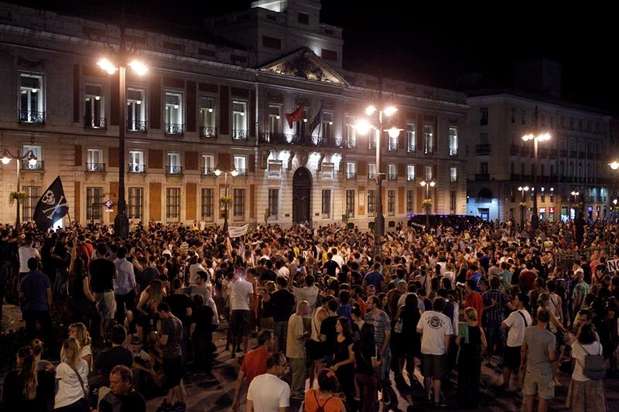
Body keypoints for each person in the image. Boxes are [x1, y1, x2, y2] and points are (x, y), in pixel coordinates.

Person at [416, 297, 453, 407]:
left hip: (426, 348)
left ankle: (427, 395)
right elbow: (447, 337)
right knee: (437, 377)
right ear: (443, 307)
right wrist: (446, 350)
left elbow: (418, 329)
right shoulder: (446, 319)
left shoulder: (425, 314)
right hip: (439, 350)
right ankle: (436, 400)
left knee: (427, 375)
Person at [521, 308, 557, 412]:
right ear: (548, 320)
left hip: (530, 368)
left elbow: (523, 349)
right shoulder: (551, 337)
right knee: (543, 398)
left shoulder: (528, 330)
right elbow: (551, 357)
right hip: (544, 371)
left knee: (529, 396)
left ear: (537, 318)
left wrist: (522, 363)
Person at [566, 323, 607, 412]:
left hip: (579, 379)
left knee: (578, 406)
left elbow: (573, 352)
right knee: (594, 406)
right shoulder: (599, 346)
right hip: (595, 378)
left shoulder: (577, 346)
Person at [232, 330, 274, 412]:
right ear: (267, 341)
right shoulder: (270, 358)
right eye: (272, 339)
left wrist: (236, 399)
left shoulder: (248, 355)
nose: (274, 342)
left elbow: (239, 379)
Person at [156, 302, 185, 412]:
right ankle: (168, 402)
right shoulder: (178, 321)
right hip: (178, 353)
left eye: (159, 313)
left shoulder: (167, 322)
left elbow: (164, 341)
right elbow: (181, 338)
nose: (159, 315)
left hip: (169, 356)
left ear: (163, 311)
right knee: (174, 381)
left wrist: (157, 337)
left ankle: (181, 403)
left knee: (174, 382)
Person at [457, 307, 487, 409]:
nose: (463, 315)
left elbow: (457, 341)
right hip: (475, 356)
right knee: (474, 379)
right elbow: (485, 344)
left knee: (463, 378)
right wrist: (480, 353)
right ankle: (474, 400)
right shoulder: (479, 328)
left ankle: (463, 399)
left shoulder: (464, 327)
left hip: (465, 355)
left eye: (465, 314)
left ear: (468, 316)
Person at [501, 293, 532, 391]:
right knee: (520, 366)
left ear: (521, 302)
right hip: (523, 344)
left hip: (512, 343)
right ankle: (520, 386)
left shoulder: (514, 314)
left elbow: (504, 325)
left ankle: (506, 384)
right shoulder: (527, 313)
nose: (514, 300)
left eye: (516, 299)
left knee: (507, 365)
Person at [19, 257, 52, 341]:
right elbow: (49, 294)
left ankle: (30, 349)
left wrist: (22, 308)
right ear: (37, 265)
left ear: (28, 266)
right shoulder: (44, 277)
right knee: (47, 331)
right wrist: (49, 306)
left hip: (29, 308)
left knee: (30, 333)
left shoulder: (24, 279)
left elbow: (21, 296)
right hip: (42, 308)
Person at [54, 337, 89, 412]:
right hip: (80, 403)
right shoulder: (84, 364)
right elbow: (85, 382)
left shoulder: (61, 367)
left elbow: (56, 388)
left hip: (63, 404)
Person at [330, 317, 355, 410]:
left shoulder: (349, 340)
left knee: (346, 393)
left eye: (338, 324)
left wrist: (338, 365)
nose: (336, 326)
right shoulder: (335, 336)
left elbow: (351, 359)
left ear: (344, 326)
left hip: (346, 370)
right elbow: (334, 354)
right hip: (336, 369)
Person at [286, 300, 309, 401]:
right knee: (298, 374)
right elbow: (298, 336)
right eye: (307, 307)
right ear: (303, 308)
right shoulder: (299, 319)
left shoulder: (292, 316)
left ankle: (294, 390)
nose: (309, 309)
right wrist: (307, 334)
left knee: (295, 373)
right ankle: (296, 392)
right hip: (297, 351)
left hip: (291, 350)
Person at [229, 267, 254, 356]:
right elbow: (251, 299)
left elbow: (230, 296)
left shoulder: (233, 284)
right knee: (245, 332)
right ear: (245, 274)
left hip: (235, 309)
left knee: (235, 332)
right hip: (245, 309)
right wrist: (251, 309)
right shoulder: (249, 284)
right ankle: (245, 352)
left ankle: (233, 351)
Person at [271, 276, 296, 353]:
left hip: (277, 318)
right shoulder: (290, 295)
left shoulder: (274, 294)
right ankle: (285, 352)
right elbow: (293, 306)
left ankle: (276, 352)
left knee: (277, 337)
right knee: (285, 337)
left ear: (279, 284)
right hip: (287, 317)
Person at [113, 247, 137, 324]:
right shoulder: (129, 265)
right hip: (128, 290)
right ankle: (131, 325)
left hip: (116, 291)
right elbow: (132, 279)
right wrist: (134, 288)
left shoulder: (113, 263)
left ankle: (120, 324)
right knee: (130, 308)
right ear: (125, 254)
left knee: (119, 310)